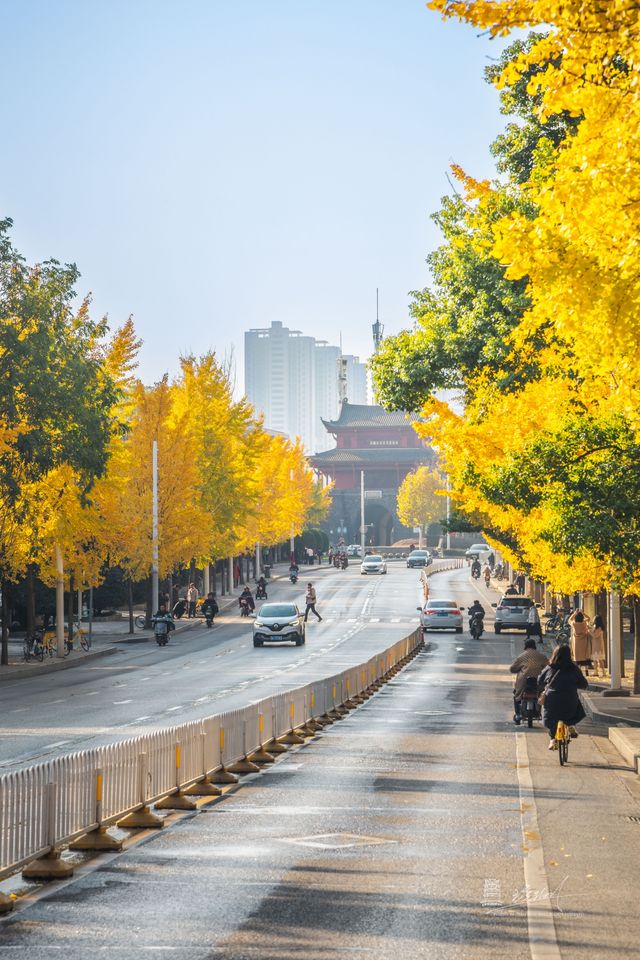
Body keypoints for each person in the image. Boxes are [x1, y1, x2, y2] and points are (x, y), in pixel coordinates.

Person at [537, 644, 588, 749]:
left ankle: (552, 740)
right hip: (569, 701)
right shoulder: (574, 668)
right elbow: (583, 684)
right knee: (575, 705)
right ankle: (570, 725)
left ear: (555, 654)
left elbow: (540, 681)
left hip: (552, 701)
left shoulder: (549, 668)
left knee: (552, 719)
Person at [510, 639, 548, 724]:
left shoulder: (521, 656)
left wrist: (519, 669)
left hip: (523, 682)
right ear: (534, 645)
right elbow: (548, 667)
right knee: (542, 694)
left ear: (525, 646)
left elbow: (512, 668)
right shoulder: (541, 656)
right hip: (538, 681)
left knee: (516, 695)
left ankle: (518, 714)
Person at [590, 614, 606, 678]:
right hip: (595, 644)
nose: (593, 620)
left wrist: (589, 632)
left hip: (598, 645)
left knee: (600, 659)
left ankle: (603, 672)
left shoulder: (599, 628)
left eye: (594, 619)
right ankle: (596, 671)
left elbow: (595, 635)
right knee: (594, 659)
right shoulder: (595, 626)